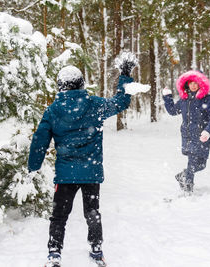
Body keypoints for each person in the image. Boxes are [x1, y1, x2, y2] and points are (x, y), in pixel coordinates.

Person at [28, 53, 137, 267]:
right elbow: (121, 102)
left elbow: (39, 140)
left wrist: (34, 166)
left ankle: (54, 254)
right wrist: (124, 75)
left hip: (65, 175)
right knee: (92, 212)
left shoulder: (52, 111)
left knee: (59, 216)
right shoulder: (94, 105)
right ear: (80, 84)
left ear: (61, 86)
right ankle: (96, 251)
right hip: (91, 172)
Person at [162, 70, 210, 193]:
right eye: (191, 83)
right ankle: (188, 189)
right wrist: (167, 97)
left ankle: (182, 176)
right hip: (188, 135)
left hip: (202, 135)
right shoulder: (184, 100)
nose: (193, 85)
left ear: (200, 84)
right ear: (186, 84)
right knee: (192, 162)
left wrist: (208, 131)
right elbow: (173, 111)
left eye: (196, 83)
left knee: (202, 164)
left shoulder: (206, 99)